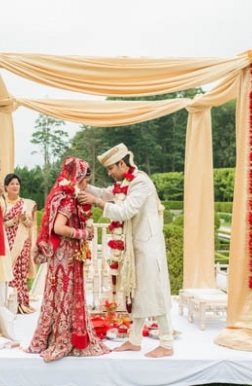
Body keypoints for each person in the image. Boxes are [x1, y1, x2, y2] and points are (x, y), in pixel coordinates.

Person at [77, 143, 174, 358]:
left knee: (155, 292)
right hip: (135, 247)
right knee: (136, 293)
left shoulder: (140, 182)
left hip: (148, 247)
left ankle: (167, 343)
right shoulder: (124, 183)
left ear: (122, 164)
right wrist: (85, 187)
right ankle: (134, 340)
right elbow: (105, 193)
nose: (110, 173)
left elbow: (125, 210)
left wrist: (98, 203)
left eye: (111, 169)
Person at [26, 157, 111, 362]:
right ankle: (64, 338)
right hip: (66, 256)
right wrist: (84, 233)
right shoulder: (67, 198)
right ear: (76, 177)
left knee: (60, 294)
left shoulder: (61, 193)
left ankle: (56, 336)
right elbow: (58, 228)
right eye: (83, 180)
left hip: (62, 255)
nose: (84, 185)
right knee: (66, 294)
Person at [1, 173, 37, 314]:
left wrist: (23, 220)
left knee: (20, 273)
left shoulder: (26, 204)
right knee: (8, 272)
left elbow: (30, 225)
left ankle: (20, 302)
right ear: (6, 187)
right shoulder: (2, 203)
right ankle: (7, 302)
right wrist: (14, 221)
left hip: (22, 242)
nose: (15, 186)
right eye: (12, 184)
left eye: (17, 184)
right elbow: (0, 224)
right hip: (6, 242)